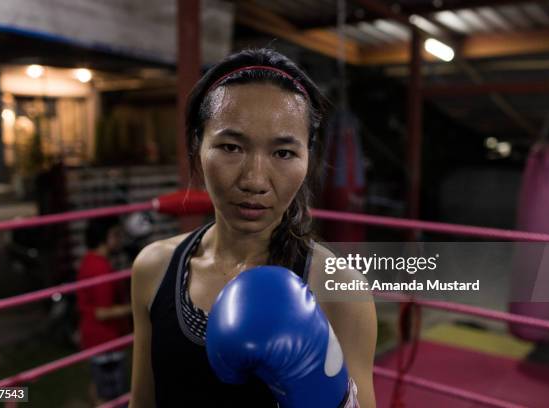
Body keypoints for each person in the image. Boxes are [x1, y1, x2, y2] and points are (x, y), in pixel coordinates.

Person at [130, 48, 377, 407]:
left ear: (308, 158)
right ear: (198, 147)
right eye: (231, 147)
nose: (254, 180)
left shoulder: (341, 289)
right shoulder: (153, 268)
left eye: (283, 153)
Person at [77, 216, 132, 405]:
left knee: (100, 390)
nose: (119, 239)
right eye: (116, 234)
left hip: (95, 340)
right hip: (106, 341)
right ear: (103, 237)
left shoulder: (89, 261)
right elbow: (103, 312)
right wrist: (137, 307)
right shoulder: (101, 269)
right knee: (115, 398)